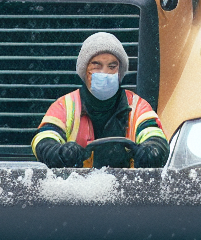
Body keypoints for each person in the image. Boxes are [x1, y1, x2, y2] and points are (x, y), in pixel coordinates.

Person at [32, 32, 169, 169]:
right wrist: (59, 152)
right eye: (96, 66)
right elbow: (43, 138)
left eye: (112, 67)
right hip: (76, 181)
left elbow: (154, 133)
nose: (105, 72)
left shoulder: (137, 106)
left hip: (129, 182)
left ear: (119, 72)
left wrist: (153, 148)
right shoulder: (65, 106)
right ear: (84, 70)